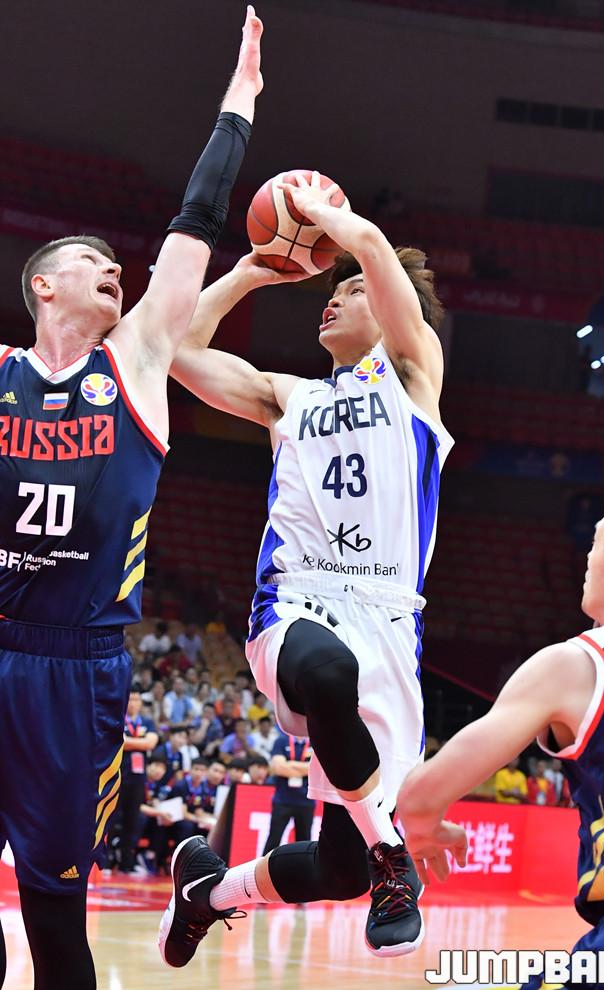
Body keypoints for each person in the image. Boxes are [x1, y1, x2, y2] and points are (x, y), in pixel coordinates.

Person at [0, 8, 261, 984]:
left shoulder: (138, 361)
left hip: (77, 673)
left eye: (118, 266)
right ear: (43, 288)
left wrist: (240, 101)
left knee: (55, 919)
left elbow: (193, 228)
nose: (114, 270)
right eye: (90, 263)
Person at [157, 170, 452, 967]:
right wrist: (250, 272)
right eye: (333, 290)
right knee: (325, 671)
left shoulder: (413, 376)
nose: (334, 299)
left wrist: (327, 215)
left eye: (352, 291)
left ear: (388, 307)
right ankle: (394, 857)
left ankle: (208, 891)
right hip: (297, 604)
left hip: (388, 623)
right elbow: (178, 352)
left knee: (338, 870)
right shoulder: (289, 397)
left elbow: (376, 254)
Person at [397, 489, 604, 988]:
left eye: (594, 545)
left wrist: (426, 828)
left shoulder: (577, 664)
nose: (585, 559)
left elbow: (419, 798)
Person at [116, 691, 159, 874]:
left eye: (136, 699)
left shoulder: (147, 722)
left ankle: (127, 863)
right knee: (112, 819)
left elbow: (150, 744)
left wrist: (128, 742)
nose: (133, 703)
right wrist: (139, 742)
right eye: (130, 699)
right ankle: (107, 861)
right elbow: (117, 741)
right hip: (118, 775)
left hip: (138, 778)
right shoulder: (118, 718)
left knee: (133, 820)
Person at [262, 734, 316, 855]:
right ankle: (264, 865)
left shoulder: (316, 740)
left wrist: (289, 764)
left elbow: (318, 768)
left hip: (306, 800)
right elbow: (278, 768)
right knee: (274, 838)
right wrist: (306, 768)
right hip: (282, 800)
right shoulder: (281, 740)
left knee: (304, 842)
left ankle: (302, 867)